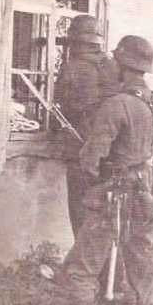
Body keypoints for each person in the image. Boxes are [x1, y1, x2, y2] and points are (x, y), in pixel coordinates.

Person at [60, 35, 153, 305]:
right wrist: (147, 189)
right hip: (146, 202)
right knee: (147, 277)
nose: (111, 65)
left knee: (78, 272)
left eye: (115, 60)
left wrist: (102, 188)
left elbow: (89, 161)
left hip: (114, 199)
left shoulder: (116, 105)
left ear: (123, 65)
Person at [54, 14, 120, 234]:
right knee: (108, 220)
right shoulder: (115, 67)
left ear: (75, 41)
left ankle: (85, 256)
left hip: (81, 153)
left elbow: (63, 106)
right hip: (112, 153)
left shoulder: (72, 68)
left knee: (82, 219)